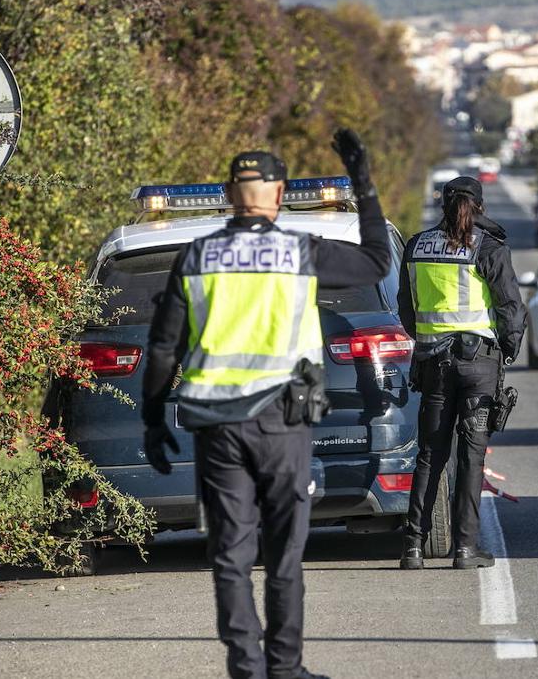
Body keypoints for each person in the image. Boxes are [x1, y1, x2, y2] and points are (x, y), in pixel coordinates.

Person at [141, 131, 389, 679]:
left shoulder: (196, 256)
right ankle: (285, 668)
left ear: (230, 194)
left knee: (230, 553)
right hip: (282, 422)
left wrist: (153, 420)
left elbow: (164, 347)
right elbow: (375, 261)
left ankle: (246, 669)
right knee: (284, 552)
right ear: (278, 195)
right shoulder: (298, 251)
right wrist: (363, 184)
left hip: (217, 426)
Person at [396, 175, 526, 571]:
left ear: (442, 206)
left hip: (434, 363)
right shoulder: (490, 247)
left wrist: (424, 340)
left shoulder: (416, 246)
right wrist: (507, 349)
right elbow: (510, 309)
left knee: (430, 454)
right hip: (478, 365)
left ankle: (413, 548)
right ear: (480, 206)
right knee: (471, 456)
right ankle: (466, 549)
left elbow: (406, 306)